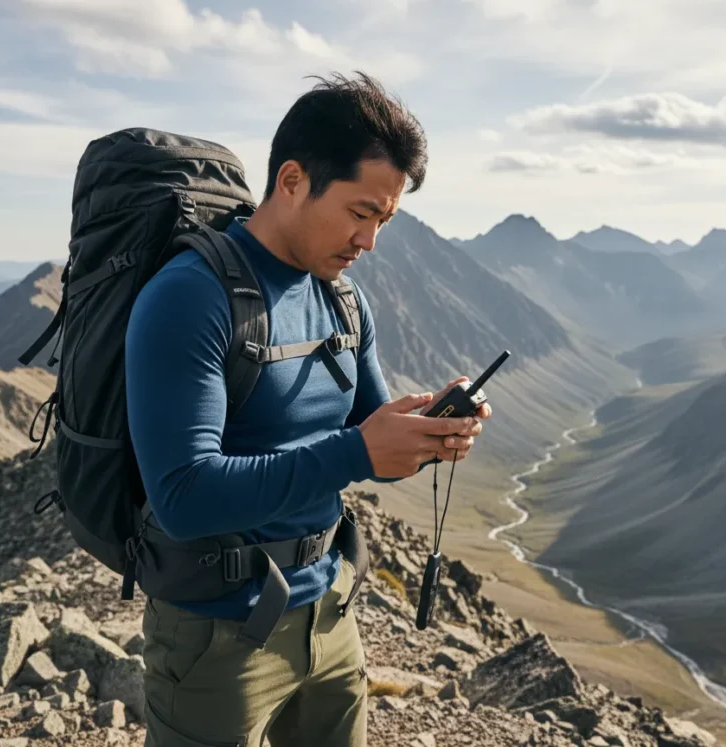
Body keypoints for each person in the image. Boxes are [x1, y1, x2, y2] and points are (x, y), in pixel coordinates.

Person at [124, 71, 492, 747]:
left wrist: (426, 434)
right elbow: (182, 495)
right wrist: (357, 451)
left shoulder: (344, 300)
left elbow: (372, 447)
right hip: (215, 636)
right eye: (360, 213)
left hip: (328, 612)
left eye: (384, 220)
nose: (370, 242)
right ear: (292, 181)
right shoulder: (191, 297)